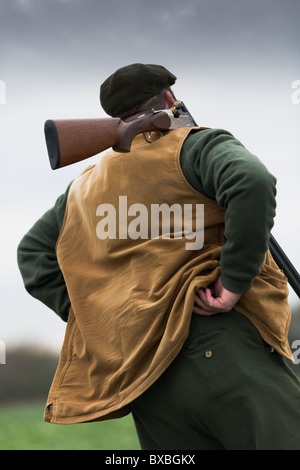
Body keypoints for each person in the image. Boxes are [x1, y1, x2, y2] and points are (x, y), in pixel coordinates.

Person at [17, 63, 300, 450]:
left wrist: (108, 314)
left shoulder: (83, 187)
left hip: (146, 375)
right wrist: (233, 282)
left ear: (113, 117)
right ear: (170, 99)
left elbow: (32, 254)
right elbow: (253, 180)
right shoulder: (194, 145)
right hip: (223, 345)